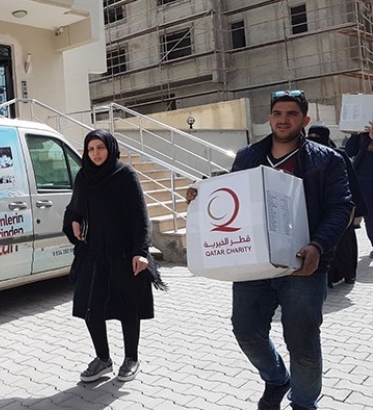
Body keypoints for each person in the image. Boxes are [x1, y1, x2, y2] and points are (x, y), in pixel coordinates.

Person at [186, 90, 353, 410]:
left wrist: (318, 246)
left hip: (303, 267)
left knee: (303, 343)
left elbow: (341, 208)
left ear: (305, 120)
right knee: (246, 331)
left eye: (292, 114)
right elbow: (233, 195)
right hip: (253, 265)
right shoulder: (248, 156)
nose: (283, 119)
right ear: (269, 118)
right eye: (277, 113)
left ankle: (303, 403)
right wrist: (201, 193)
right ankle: (277, 378)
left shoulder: (327, 159)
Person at [62, 129, 165, 383]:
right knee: (89, 306)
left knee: (128, 307)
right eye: (91, 149)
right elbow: (74, 208)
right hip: (94, 253)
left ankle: (131, 358)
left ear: (111, 148)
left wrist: (141, 251)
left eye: (100, 148)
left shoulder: (125, 175)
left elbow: (140, 215)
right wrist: (74, 220)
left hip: (124, 253)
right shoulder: (84, 176)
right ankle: (103, 359)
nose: (95, 153)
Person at [307, 125, 368, 286]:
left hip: (339, 207)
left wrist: (358, 210)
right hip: (315, 209)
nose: (314, 140)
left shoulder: (337, 156)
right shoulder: (305, 156)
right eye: (311, 137)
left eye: (317, 137)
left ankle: (349, 274)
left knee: (345, 244)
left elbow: (352, 184)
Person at [344, 122, 373, 257]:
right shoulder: (363, 134)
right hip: (363, 179)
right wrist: (354, 135)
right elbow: (349, 151)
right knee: (369, 215)